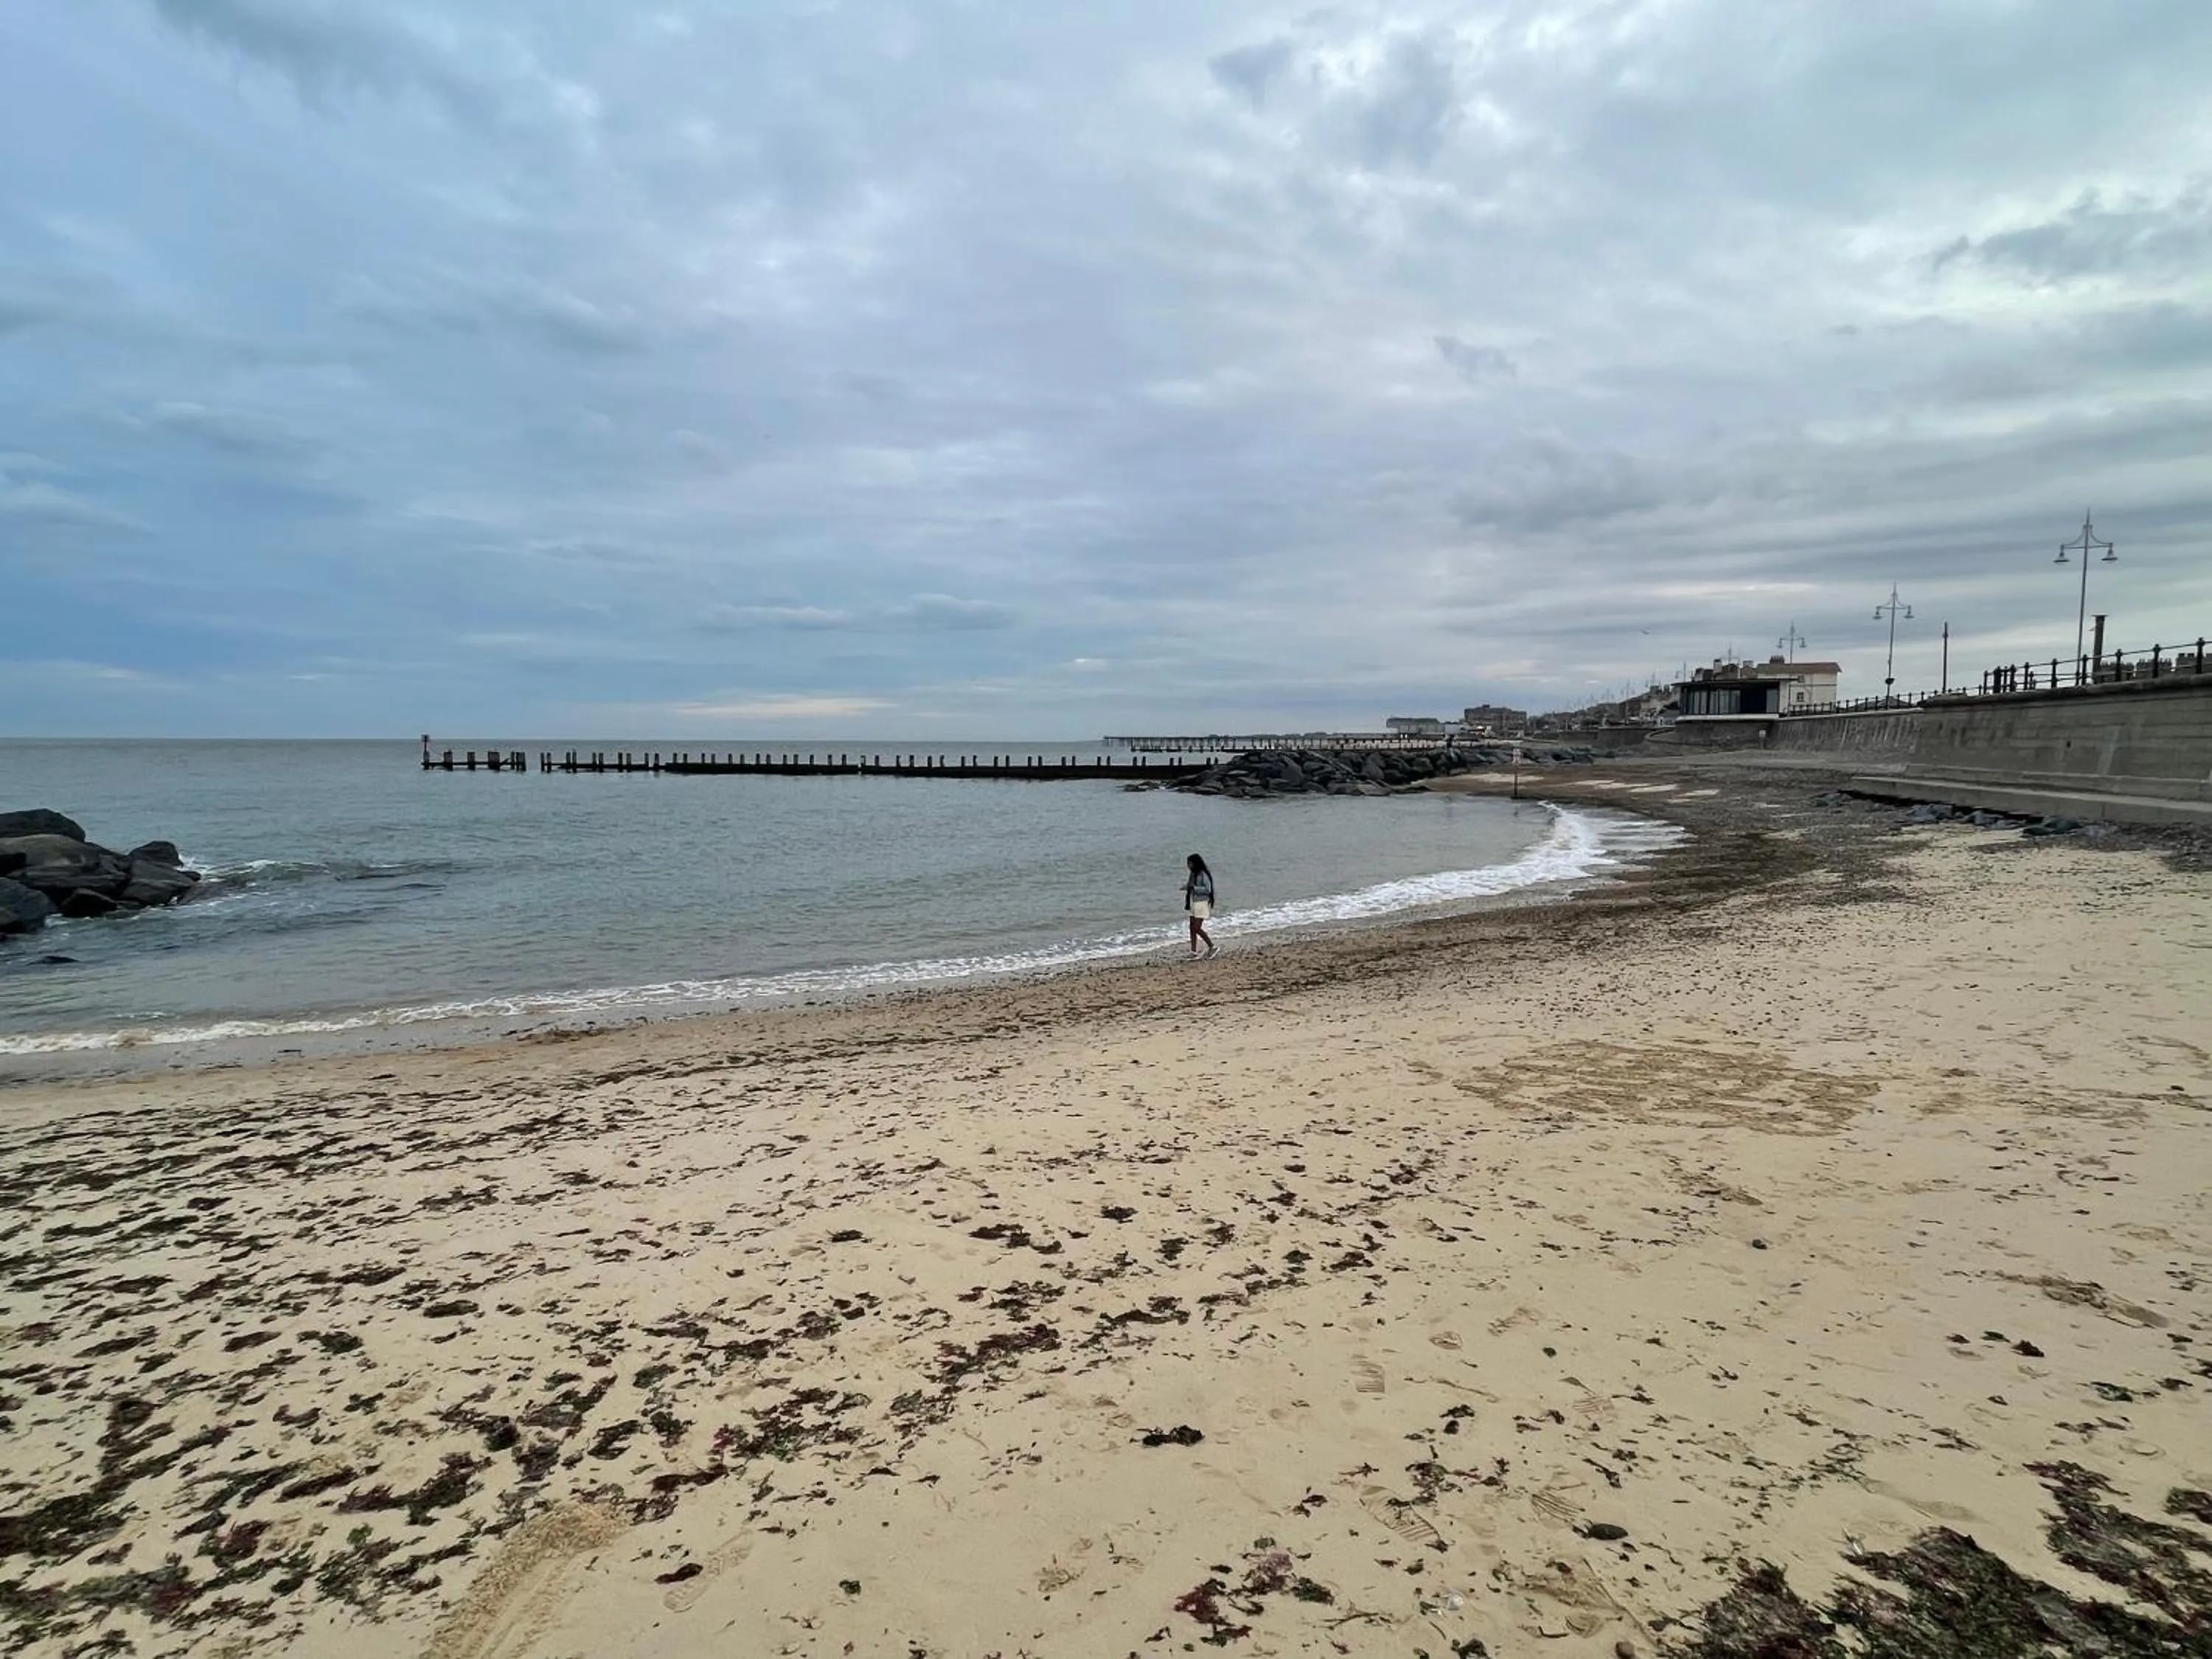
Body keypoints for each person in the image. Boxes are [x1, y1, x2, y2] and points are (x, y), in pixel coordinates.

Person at [1183, 853, 1217, 958]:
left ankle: (1212, 946)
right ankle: (1193, 951)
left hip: (1202, 902)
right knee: (1192, 927)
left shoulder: (1203, 874)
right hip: (1194, 902)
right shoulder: (1193, 874)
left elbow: (1208, 889)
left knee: (1197, 927)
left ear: (1195, 863)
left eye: (1190, 863)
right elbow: (1191, 886)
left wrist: (1195, 888)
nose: (1188, 866)